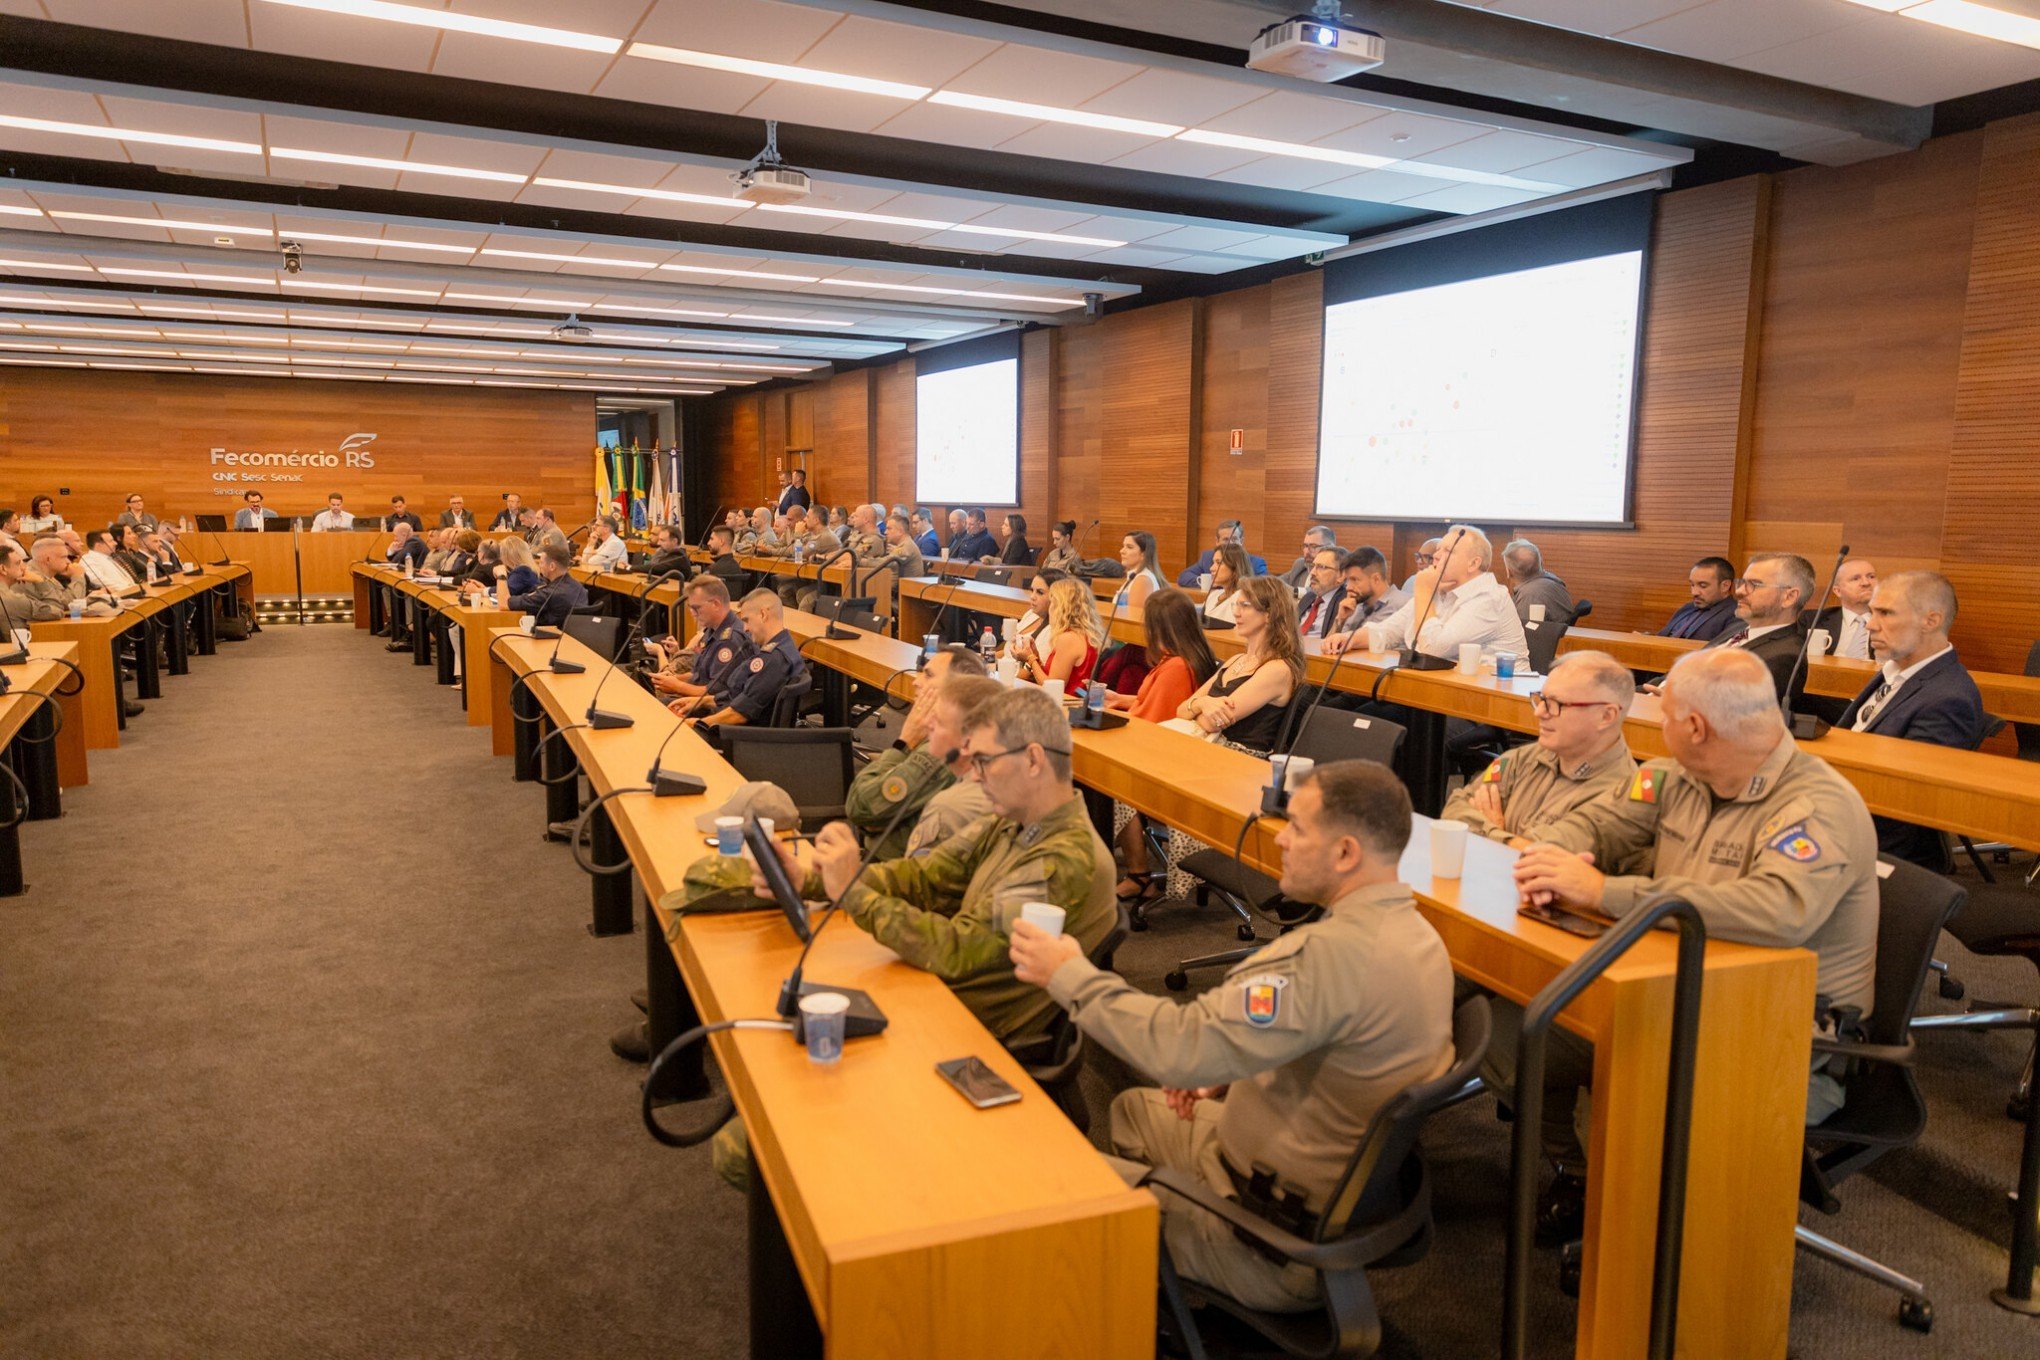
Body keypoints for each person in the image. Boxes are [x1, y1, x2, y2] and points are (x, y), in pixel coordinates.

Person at [1008, 759, 1455, 1314]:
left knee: (1035, 1197)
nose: (1282, 840)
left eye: (1297, 828)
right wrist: (1226, 1066)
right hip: (1310, 1189)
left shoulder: (1323, 960)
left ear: (1345, 853)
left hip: (1265, 1238)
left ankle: (1166, 1277)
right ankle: (1166, 1279)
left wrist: (1066, 973)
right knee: (1132, 1112)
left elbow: (1176, 1047)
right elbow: (1321, 1033)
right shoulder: (1420, 938)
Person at [1505, 649, 1877, 1236]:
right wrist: (1549, 852)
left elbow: (1778, 911)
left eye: (1664, 710)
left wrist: (1605, 891)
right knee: (1517, 1027)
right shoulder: (1674, 775)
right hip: (1675, 990)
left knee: (1596, 1061)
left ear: (1696, 728)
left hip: (1777, 1034)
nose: (1653, 718)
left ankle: (1650, 1242)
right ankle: (1585, 1177)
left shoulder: (1815, 806)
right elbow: (1603, 822)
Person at [1839, 570, 1985, 868]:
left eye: (1885, 613)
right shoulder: (1896, 671)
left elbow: (1903, 809)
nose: (1870, 624)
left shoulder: (1948, 699)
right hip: (1841, 812)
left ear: (1931, 621)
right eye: (1871, 612)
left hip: (1876, 851)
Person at [1440, 652, 1638, 845]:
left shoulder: (1620, 794)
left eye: (1556, 704)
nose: (1540, 712)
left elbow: (1544, 861)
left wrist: (1493, 832)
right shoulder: (1525, 758)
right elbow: (1455, 807)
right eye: (1541, 699)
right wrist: (1507, 838)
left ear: (1606, 716)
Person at [1108, 588, 1221, 902]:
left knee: (1109, 779)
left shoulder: (1175, 668)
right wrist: (1122, 700)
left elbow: (1149, 724)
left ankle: (1139, 874)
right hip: (1172, 751)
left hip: (1164, 759)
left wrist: (1105, 715)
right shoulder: (1184, 659)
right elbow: (1157, 704)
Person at [842, 657, 995, 860]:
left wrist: (903, 741)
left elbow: (860, 805)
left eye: (928, 674)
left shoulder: (941, 749)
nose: (916, 680)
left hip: (889, 868)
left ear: (957, 688)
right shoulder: (942, 737)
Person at [1337, 524, 1528, 664]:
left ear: (1473, 563)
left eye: (1447, 551)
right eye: (1438, 550)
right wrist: (1350, 639)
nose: (1436, 556)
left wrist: (1423, 592)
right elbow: (1390, 631)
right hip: (1440, 693)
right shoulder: (1438, 589)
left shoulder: (1489, 597)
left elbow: (1433, 649)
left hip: (1490, 704)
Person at [1178, 577, 1303, 754]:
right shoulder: (1235, 660)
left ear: (1269, 614)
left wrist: (1196, 706)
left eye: (1245, 605)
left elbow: (1212, 723)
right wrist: (1203, 703)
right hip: (1209, 747)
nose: (1236, 613)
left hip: (1240, 758)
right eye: (1235, 605)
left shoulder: (1278, 669)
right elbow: (1180, 710)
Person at [1702, 552, 1815, 713]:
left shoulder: (1786, 655)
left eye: (1754, 584)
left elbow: (1730, 710)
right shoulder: (1735, 630)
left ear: (1789, 597)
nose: (1739, 591)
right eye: (1742, 582)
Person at [676, 589, 805, 729]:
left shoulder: (773, 659)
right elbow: (738, 696)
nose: (745, 628)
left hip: (739, 736)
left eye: (746, 621)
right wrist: (701, 701)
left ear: (763, 614)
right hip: (732, 726)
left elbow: (738, 714)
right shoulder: (783, 646)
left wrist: (697, 724)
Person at [649, 576, 752, 703]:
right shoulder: (711, 629)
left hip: (712, 708)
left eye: (696, 608)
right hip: (696, 698)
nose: (692, 613)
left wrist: (676, 686)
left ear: (715, 604)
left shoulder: (730, 640)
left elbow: (715, 693)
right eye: (690, 608)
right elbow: (698, 675)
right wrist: (674, 678)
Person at [1013, 578, 1103, 692]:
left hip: (1066, 704)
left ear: (1061, 608)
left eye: (1052, 603)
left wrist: (1030, 658)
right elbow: (1056, 676)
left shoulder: (1069, 638)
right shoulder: (1086, 634)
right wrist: (1036, 657)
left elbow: (1052, 687)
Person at [1326, 547, 1408, 640]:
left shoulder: (1404, 605)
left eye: (1354, 580)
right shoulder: (1355, 606)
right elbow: (1327, 648)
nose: (1348, 587)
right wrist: (1340, 620)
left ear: (1376, 579)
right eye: (1348, 580)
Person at [498, 543, 588, 628]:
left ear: (552, 566)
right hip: (571, 640)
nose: (539, 565)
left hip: (547, 640)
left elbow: (504, 604)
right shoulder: (580, 588)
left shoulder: (548, 594)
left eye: (541, 562)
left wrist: (501, 575)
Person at [22, 538, 114, 618]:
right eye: (64, 557)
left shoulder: (46, 574)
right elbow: (68, 604)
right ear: (48, 559)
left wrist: (93, 597)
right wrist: (77, 576)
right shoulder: (32, 576)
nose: (68, 561)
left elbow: (64, 599)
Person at [1655, 557, 1742, 641]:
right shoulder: (1687, 608)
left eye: (1703, 586)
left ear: (1725, 586)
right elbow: (1661, 638)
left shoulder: (1736, 614)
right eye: (1692, 585)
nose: (1694, 592)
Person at [1809, 558, 1878, 661]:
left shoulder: (1892, 622)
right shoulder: (1814, 620)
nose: (1866, 583)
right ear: (1837, 591)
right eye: (1855, 578)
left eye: (1871, 576)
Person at [1503, 538, 1573, 625]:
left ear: (1509, 572)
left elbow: (1523, 633)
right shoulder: (1554, 581)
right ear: (1541, 563)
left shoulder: (1529, 596)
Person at [1177, 520, 1268, 587]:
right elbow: (1184, 577)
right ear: (1217, 541)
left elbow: (1260, 589)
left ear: (1241, 541)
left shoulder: (1256, 563)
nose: (1230, 544)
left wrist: (1225, 584)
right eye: (1226, 540)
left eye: (1234, 539)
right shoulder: (1208, 558)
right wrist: (1210, 583)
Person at [867, 510, 926, 611]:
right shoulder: (903, 545)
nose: (885, 532)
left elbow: (884, 563)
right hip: (893, 593)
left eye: (889, 529)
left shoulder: (907, 547)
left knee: (862, 592)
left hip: (901, 599)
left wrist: (857, 560)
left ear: (900, 531)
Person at [1007, 568, 1068, 657]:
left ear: (1056, 596)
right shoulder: (1031, 614)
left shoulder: (1055, 630)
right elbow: (1009, 650)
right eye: (1032, 590)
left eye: (1040, 592)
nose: (1032, 597)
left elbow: (1035, 666)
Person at [1293, 546, 1345, 639]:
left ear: (1341, 575)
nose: (1312, 573)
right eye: (1313, 566)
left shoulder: (1344, 602)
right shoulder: (1308, 598)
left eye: (1321, 567)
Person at [1201, 542, 1253, 625]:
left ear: (1235, 566)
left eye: (1218, 563)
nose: (1211, 568)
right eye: (1213, 563)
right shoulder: (1213, 595)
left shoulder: (1243, 598)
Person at [1114, 531, 1165, 609]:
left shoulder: (1143, 580)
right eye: (1123, 546)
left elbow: (1134, 618)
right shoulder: (1135, 576)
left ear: (1143, 554)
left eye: (1129, 547)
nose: (1122, 551)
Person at [80, 528, 139, 596]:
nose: (115, 543)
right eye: (111, 541)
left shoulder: (109, 557)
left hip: (129, 592)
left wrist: (134, 587)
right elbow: (96, 579)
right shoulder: (88, 559)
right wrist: (125, 589)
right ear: (99, 545)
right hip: (118, 596)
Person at [1279, 526, 1337, 591]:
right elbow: (1276, 583)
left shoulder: (1334, 572)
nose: (1307, 551)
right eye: (1305, 546)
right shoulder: (1301, 565)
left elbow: (1317, 592)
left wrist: (1295, 592)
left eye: (1313, 546)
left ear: (1330, 548)